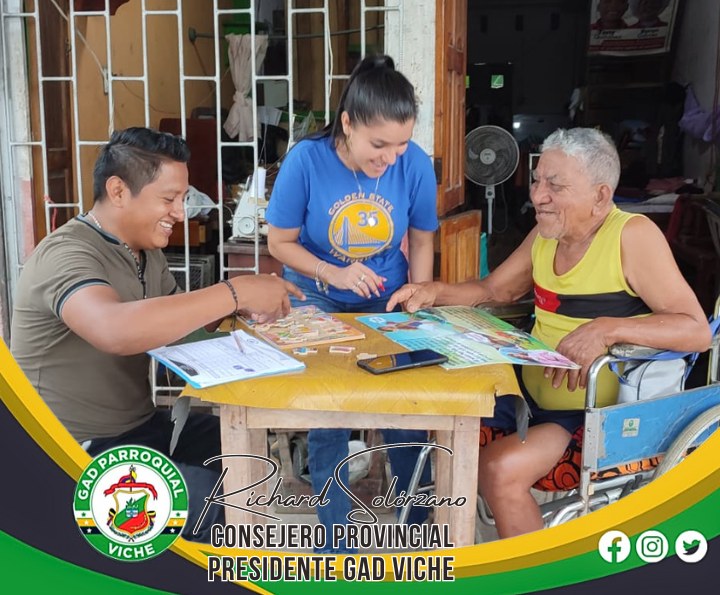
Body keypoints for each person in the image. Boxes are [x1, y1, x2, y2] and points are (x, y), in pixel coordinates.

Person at [387, 127, 711, 538]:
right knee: (443, 421)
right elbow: (495, 290)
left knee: (499, 470)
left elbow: (695, 330)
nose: (538, 196)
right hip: (525, 396)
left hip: (586, 417)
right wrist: (434, 292)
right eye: (538, 180)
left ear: (600, 196)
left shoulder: (631, 236)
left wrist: (605, 329)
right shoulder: (546, 235)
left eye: (555, 186)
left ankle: (534, 566)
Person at [10, 127, 304, 543]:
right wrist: (233, 291)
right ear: (118, 191)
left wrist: (249, 320)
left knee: (247, 455)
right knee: (210, 500)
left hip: (139, 430)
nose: (180, 213)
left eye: (183, 198)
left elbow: (181, 331)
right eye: (169, 199)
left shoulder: (144, 252)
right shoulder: (67, 254)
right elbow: (114, 329)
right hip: (68, 452)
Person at [266, 55, 437, 552]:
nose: (391, 158)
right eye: (378, 145)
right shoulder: (307, 160)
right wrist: (334, 272)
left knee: (406, 406)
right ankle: (336, 539)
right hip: (317, 294)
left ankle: (415, 527)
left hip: (389, 296)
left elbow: (422, 238)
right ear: (347, 123)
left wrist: (420, 295)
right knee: (330, 411)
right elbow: (279, 242)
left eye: (400, 144)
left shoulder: (414, 163)